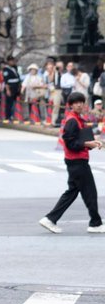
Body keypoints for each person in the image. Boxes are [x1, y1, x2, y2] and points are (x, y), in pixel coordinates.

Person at [40, 91, 105, 234]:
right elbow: (70, 143)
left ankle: (50, 219)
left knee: (72, 192)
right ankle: (95, 223)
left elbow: (80, 140)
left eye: (81, 102)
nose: (79, 105)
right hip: (77, 162)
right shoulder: (72, 121)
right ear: (70, 105)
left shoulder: (78, 119)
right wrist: (87, 144)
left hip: (76, 161)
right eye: (76, 103)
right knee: (90, 192)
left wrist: (93, 143)